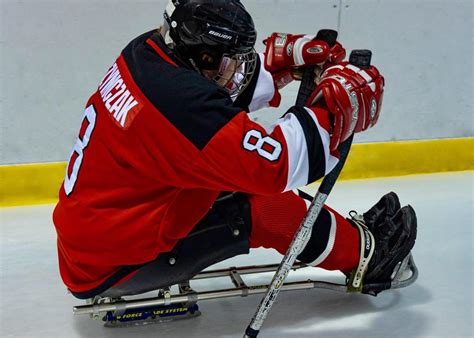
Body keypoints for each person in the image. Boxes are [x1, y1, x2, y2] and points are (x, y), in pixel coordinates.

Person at [53, 0, 416, 300]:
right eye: (231, 61)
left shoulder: (148, 52)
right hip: (115, 264)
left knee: (231, 172)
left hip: (95, 241)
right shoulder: (178, 105)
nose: (238, 72)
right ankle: (366, 255)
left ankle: (344, 239)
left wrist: (276, 69)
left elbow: (206, 109)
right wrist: (333, 105)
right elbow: (277, 164)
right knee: (261, 204)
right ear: (205, 56)